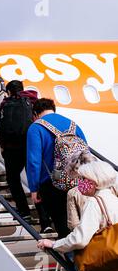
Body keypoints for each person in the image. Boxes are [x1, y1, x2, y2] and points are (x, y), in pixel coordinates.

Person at [37, 160, 118, 271]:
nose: (79, 183)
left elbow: (80, 239)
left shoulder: (94, 203)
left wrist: (54, 244)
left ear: (94, 182)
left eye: (83, 179)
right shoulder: (114, 200)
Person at [27, 98, 87, 238]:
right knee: (81, 224)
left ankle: (71, 258)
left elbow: (33, 161)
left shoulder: (36, 127)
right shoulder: (73, 125)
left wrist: (34, 188)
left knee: (62, 226)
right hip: (78, 181)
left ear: (35, 114)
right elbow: (86, 152)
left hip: (52, 183)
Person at [0, 80, 51, 228]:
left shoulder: (5, 104)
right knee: (35, 182)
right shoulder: (32, 101)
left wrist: (3, 146)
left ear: (8, 92)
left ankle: (24, 212)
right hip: (29, 146)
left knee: (13, 180)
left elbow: (1, 128)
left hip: (11, 148)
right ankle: (45, 220)